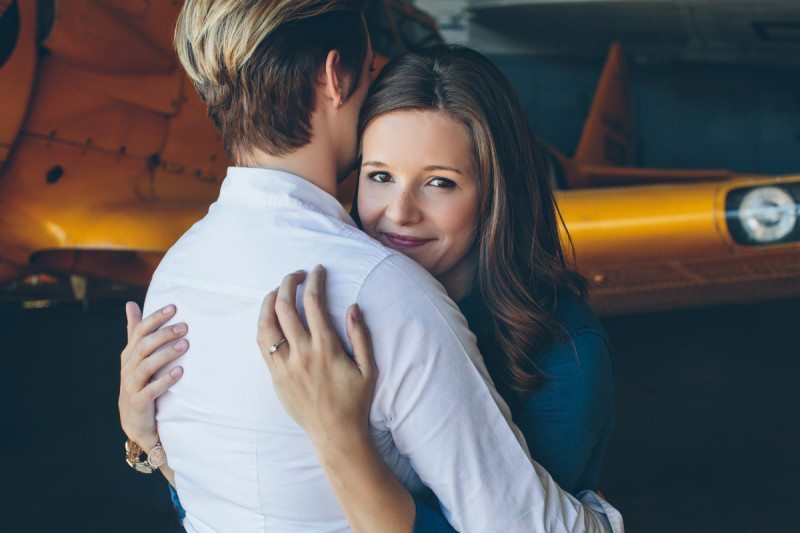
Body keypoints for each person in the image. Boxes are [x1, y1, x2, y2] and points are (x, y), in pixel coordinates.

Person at [119, 1, 622, 531]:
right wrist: (148, 441)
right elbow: (236, 500)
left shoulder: (178, 273)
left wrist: (340, 437)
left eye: (440, 182)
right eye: (378, 175)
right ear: (338, 78)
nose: (400, 212)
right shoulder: (380, 291)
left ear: (495, 193)